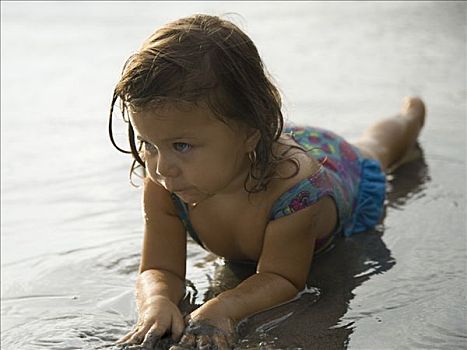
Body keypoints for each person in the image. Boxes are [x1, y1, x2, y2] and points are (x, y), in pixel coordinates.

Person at [108, 14, 425, 350]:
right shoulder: (164, 181)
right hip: (260, 150)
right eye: (148, 144)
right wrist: (156, 302)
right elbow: (159, 267)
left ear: (249, 134)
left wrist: (224, 307)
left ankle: (408, 117)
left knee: (376, 149)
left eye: (181, 146)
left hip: (340, 169)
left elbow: (283, 277)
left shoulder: (294, 193)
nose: (161, 167)